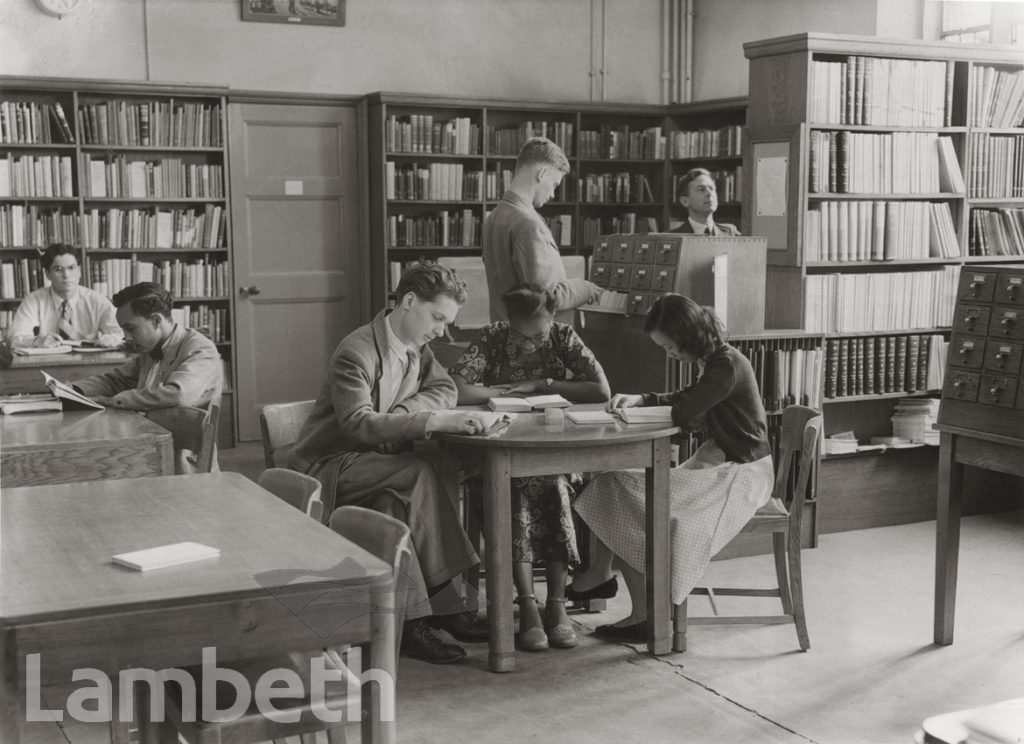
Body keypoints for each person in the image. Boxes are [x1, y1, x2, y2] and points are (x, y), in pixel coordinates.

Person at [290, 262, 494, 665]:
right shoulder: (357, 350)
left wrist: (407, 408)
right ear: (409, 301)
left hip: (373, 467)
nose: (441, 330)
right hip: (329, 467)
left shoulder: (417, 346)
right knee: (417, 474)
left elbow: (445, 387)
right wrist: (429, 420)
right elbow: (358, 425)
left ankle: (410, 625)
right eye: (437, 318)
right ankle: (450, 601)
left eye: (447, 322)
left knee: (391, 507)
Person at [567, 294, 774, 641]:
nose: (670, 354)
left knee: (628, 495)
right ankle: (606, 577)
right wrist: (643, 400)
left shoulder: (726, 365)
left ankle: (640, 608)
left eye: (670, 347)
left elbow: (688, 412)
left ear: (689, 336)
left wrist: (665, 404)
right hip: (720, 462)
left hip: (742, 473)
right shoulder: (717, 360)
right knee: (610, 485)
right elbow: (688, 397)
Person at [449, 283, 611, 652]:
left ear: (553, 319)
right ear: (508, 323)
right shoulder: (492, 337)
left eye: (537, 336)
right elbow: (456, 388)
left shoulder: (564, 337)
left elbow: (601, 389)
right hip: (499, 453)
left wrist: (543, 383)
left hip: (555, 454)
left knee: (551, 482)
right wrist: (507, 392)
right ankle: (526, 602)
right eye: (520, 337)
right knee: (515, 487)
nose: (529, 345)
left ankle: (556, 603)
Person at [481, 136, 602, 324]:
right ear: (542, 173)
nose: (553, 194)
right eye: (554, 185)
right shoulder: (527, 223)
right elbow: (546, 296)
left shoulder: (495, 216)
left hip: (504, 335)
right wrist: (585, 288)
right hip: (535, 341)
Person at [7, 243, 123, 349]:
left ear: (79, 271)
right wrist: (37, 341)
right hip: (46, 363)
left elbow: (122, 332)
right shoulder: (34, 300)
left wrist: (110, 339)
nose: (66, 275)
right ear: (47, 274)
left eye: (71, 268)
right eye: (58, 269)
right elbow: (14, 338)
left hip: (88, 364)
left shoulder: (97, 300)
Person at [669, 168, 741, 236]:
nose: (709, 194)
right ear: (685, 201)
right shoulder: (672, 237)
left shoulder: (731, 233)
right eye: (701, 190)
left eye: (712, 188)